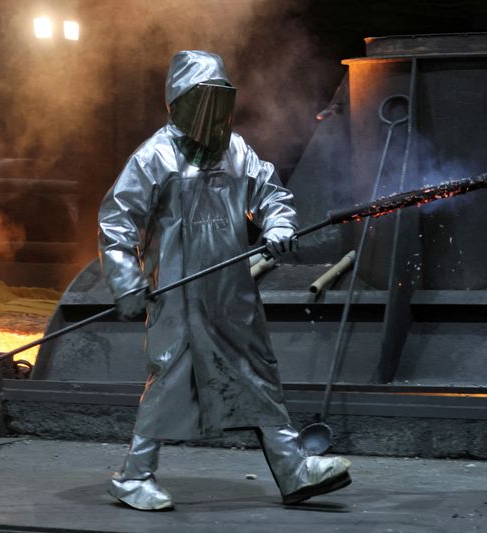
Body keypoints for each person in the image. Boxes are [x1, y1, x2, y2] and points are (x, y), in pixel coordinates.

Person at [97, 50, 351, 511]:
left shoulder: (236, 152)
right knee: (172, 378)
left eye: (220, 101)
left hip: (232, 292)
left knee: (259, 377)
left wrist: (278, 226)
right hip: (179, 294)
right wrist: (127, 280)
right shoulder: (154, 158)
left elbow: (271, 194)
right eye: (202, 102)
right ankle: (134, 477)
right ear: (179, 104)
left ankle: (293, 469)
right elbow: (116, 225)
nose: (213, 114)